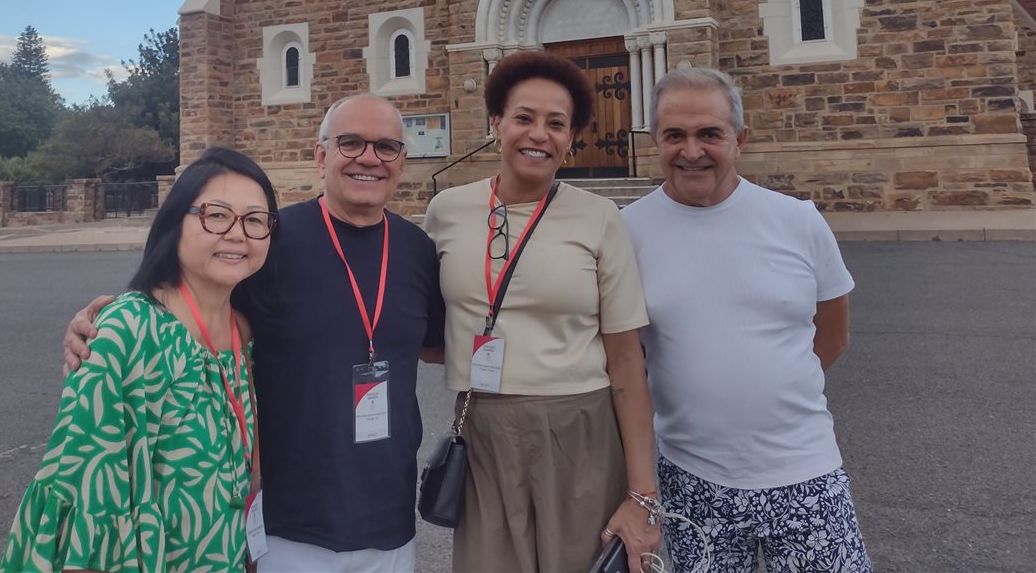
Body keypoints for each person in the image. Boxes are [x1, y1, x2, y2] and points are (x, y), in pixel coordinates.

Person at [63, 95, 445, 573]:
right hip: (289, 524)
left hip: (389, 520)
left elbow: (434, 346)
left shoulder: (416, 249)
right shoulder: (272, 238)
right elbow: (195, 307)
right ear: (321, 155)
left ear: (402, 161)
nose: (369, 158)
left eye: (386, 147)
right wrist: (113, 318)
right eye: (350, 143)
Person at [620, 66, 873, 572]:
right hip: (692, 479)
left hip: (805, 471)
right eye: (676, 135)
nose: (692, 151)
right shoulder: (628, 232)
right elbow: (629, 362)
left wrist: (770, 392)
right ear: (656, 141)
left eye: (709, 134)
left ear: (740, 138)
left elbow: (834, 334)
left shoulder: (798, 221)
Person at [422, 51, 660, 573]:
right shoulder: (447, 212)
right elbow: (422, 323)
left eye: (557, 123)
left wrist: (643, 494)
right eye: (524, 117)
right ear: (496, 124)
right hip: (482, 426)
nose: (539, 134)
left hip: (580, 429)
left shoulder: (600, 218)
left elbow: (626, 362)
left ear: (571, 135)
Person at [0, 147, 280, 572]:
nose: (238, 233)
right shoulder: (128, 331)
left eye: (255, 220)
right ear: (174, 224)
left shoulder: (245, 331)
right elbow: (88, 496)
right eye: (216, 215)